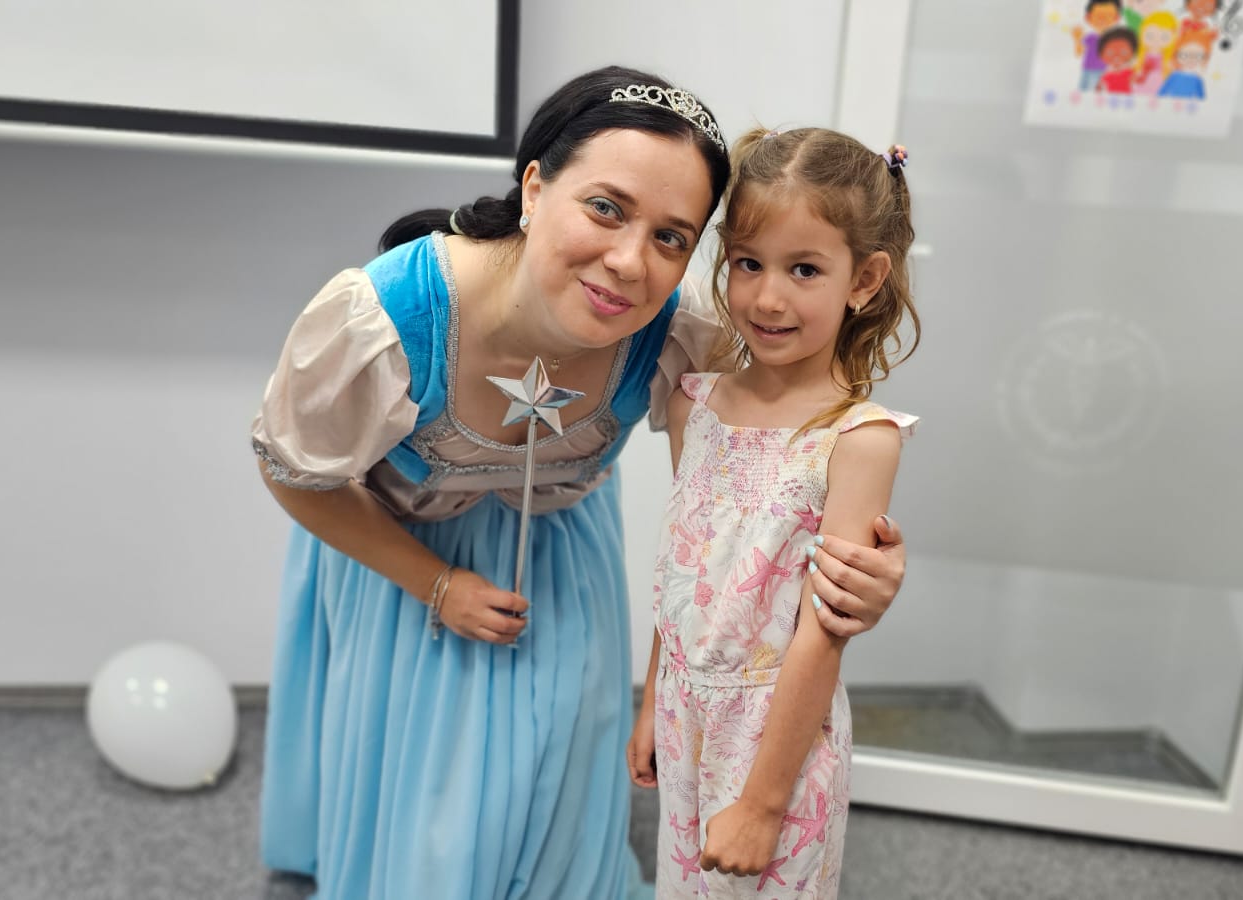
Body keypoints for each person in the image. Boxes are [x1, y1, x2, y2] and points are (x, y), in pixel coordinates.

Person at [250, 67, 910, 900]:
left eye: (672, 237)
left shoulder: (682, 336)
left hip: (565, 557)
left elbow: (781, 462)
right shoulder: (384, 318)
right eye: (605, 207)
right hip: (400, 556)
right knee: (430, 818)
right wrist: (437, 583)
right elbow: (292, 472)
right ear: (534, 186)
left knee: (555, 795)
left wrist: (864, 564)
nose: (629, 261)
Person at [627, 128, 920, 898]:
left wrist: (761, 804)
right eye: (748, 263)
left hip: (777, 736)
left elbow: (825, 630)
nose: (767, 297)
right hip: (685, 714)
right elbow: (681, 570)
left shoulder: (859, 440)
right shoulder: (694, 404)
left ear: (865, 279)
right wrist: (654, 696)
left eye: (804, 269)